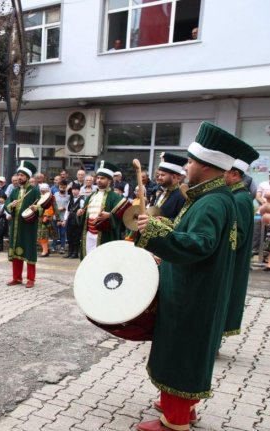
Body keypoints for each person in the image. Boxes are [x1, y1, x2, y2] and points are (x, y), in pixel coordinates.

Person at [134, 122, 240, 431]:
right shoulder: (211, 197)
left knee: (181, 352)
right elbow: (189, 235)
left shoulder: (212, 202)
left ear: (206, 166)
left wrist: (155, 233)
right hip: (195, 289)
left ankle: (174, 421)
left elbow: (200, 244)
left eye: (191, 161)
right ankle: (183, 409)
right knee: (184, 351)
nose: (187, 166)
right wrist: (163, 232)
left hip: (192, 293)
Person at [221, 140, 259, 338]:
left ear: (235, 175)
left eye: (224, 172)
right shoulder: (233, 196)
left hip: (231, 262)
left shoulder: (240, 199)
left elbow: (239, 235)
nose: (221, 176)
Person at [4, 161, 41, 288]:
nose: (19, 177)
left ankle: (31, 279)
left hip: (29, 226)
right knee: (15, 251)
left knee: (29, 251)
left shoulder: (35, 191)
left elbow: (42, 206)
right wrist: (10, 205)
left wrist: (36, 208)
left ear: (28, 177)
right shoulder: (14, 191)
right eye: (18, 175)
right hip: (15, 226)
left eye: (22, 175)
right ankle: (16, 277)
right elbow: (7, 204)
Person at [77, 161, 124, 259]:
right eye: (97, 178)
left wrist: (110, 215)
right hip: (88, 234)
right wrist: (80, 214)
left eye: (102, 178)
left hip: (104, 236)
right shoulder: (91, 196)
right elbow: (84, 215)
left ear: (109, 181)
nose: (98, 180)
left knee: (101, 260)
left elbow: (121, 217)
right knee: (88, 259)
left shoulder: (115, 197)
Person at [151, 153, 187, 220]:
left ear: (174, 177)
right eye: (159, 175)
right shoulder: (162, 192)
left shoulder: (182, 196)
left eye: (163, 175)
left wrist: (161, 220)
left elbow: (182, 221)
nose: (159, 178)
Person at [37, 183, 58, 257]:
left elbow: (55, 208)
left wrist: (58, 219)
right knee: (39, 237)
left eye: (44, 190)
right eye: (42, 190)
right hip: (39, 219)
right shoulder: (39, 197)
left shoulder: (52, 197)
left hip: (46, 219)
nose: (43, 191)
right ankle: (46, 249)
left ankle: (45, 251)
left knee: (43, 236)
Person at [65, 183, 85, 258]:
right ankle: (70, 252)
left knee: (76, 237)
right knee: (69, 236)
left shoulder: (82, 200)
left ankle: (75, 253)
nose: (74, 191)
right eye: (73, 189)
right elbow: (67, 210)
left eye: (76, 189)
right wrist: (65, 220)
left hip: (77, 221)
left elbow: (83, 210)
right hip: (70, 220)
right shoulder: (70, 199)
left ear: (79, 190)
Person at [53, 180, 69, 253]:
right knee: (55, 233)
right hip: (55, 217)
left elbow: (69, 207)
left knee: (63, 233)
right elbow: (52, 205)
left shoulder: (69, 196)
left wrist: (64, 208)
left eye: (64, 187)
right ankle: (54, 247)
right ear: (58, 187)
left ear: (66, 187)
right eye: (61, 187)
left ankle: (62, 247)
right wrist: (57, 209)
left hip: (64, 218)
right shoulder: (55, 195)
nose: (62, 189)